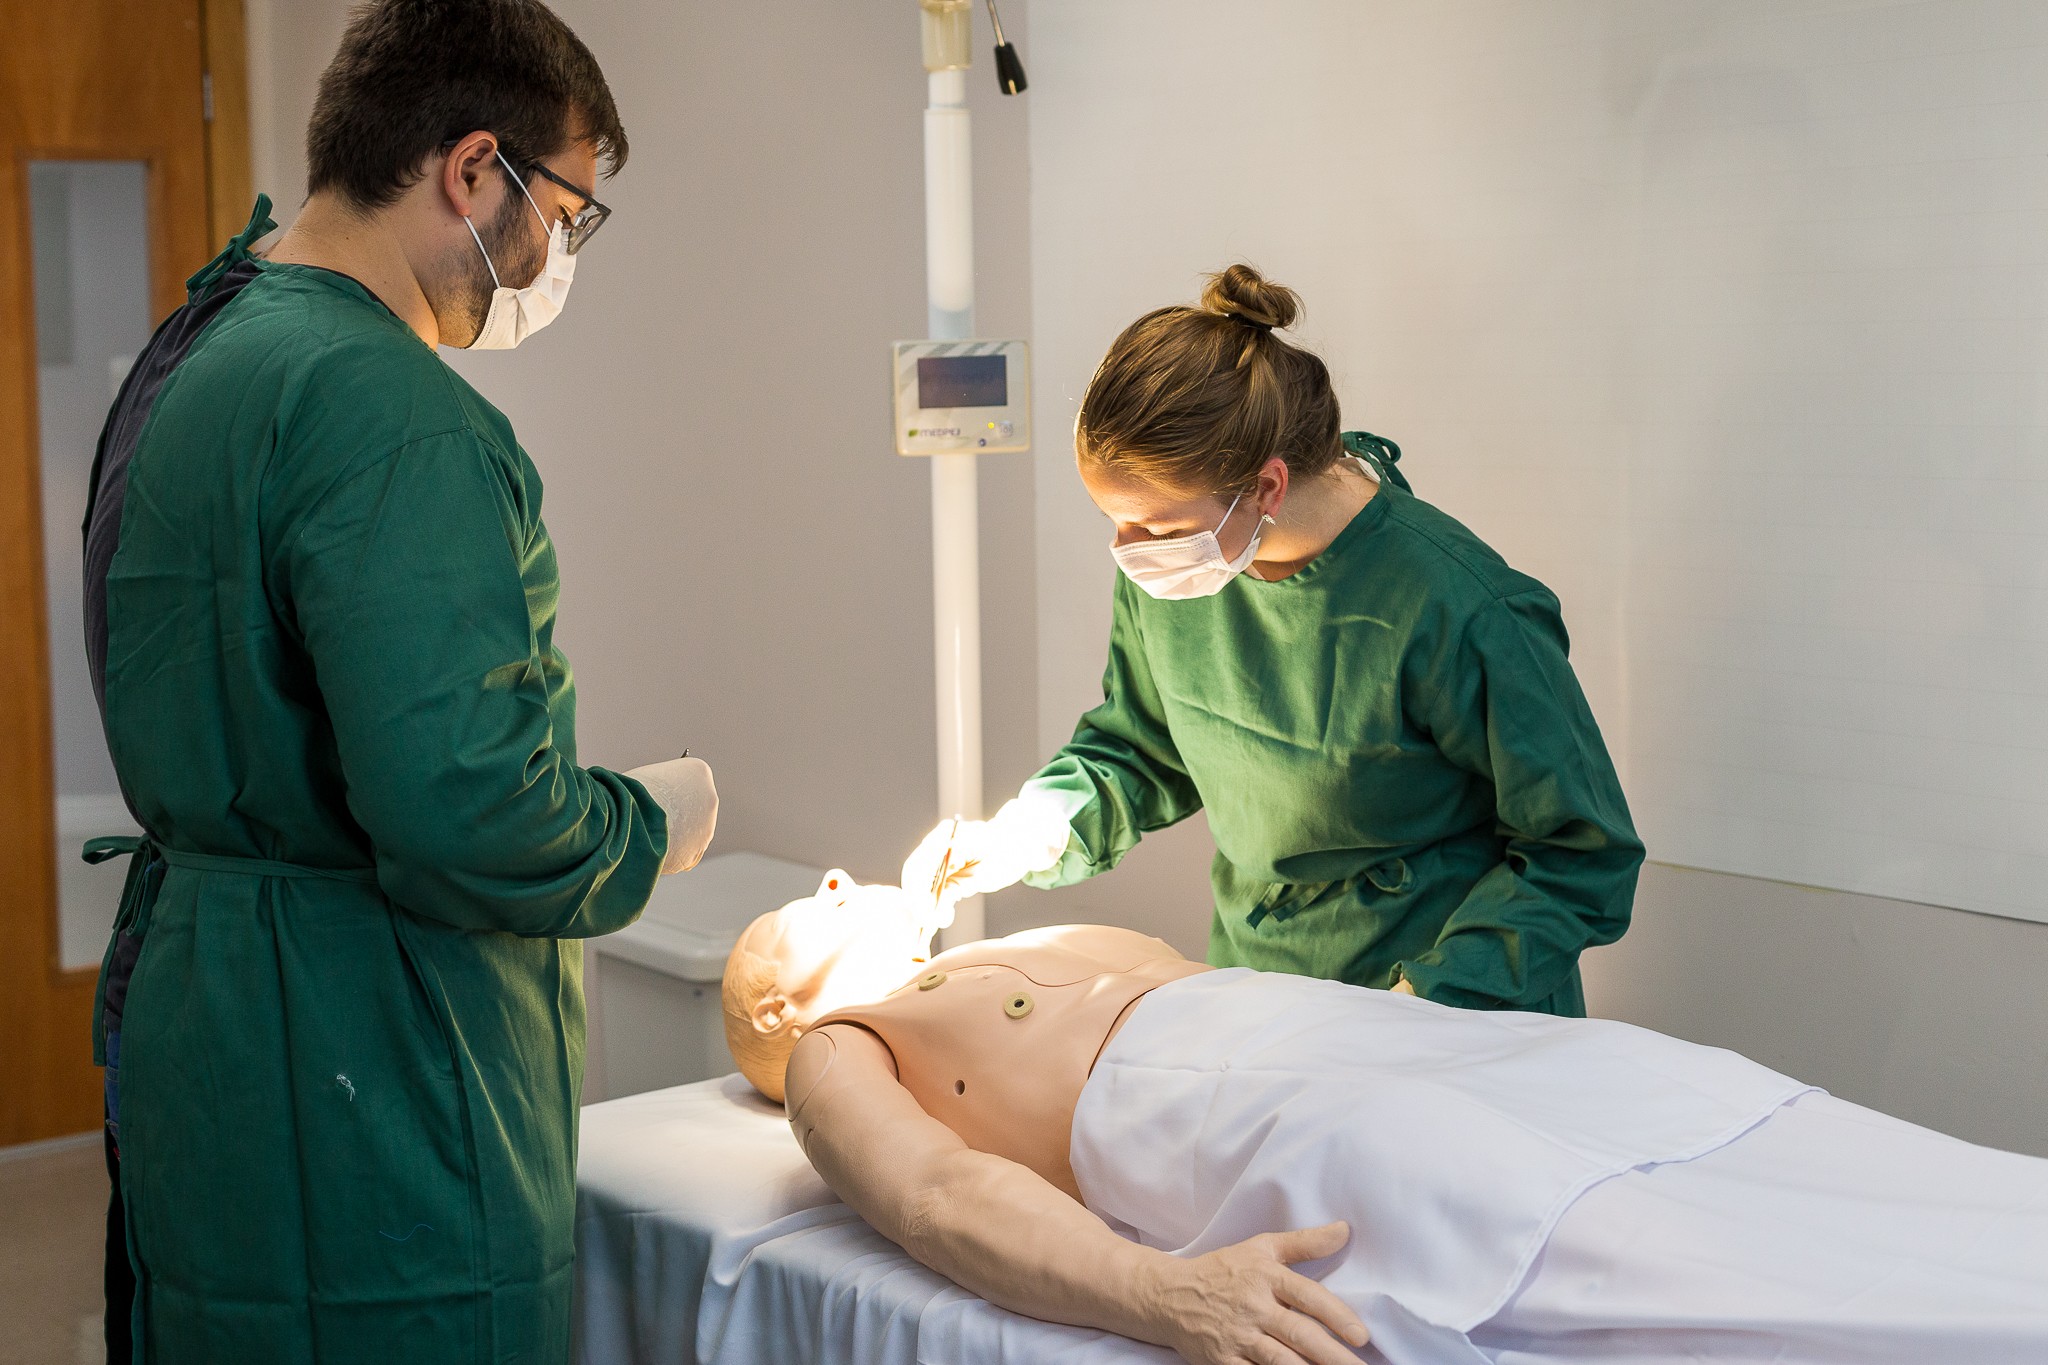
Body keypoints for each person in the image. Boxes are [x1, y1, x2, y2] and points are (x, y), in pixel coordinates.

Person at [80, 3, 716, 1360]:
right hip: (365, 1061)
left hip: (209, 1023)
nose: (555, 258)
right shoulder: (398, 418)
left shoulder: (195, 352)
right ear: (473, 170)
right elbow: (471, 814)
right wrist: (649, 821)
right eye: (564, 212)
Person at [722, 881, 2048, 1365]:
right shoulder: (845, 1045)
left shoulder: (981, 943)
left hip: (1393, 1041)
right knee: (1659, 1247)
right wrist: (1161, 1295)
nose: (835, 878)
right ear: (779, 1010)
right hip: (1272, 1103)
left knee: (1752, 1132)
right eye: (802, 913)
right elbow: (938, 1199)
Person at [904, 265, 1641, 1015]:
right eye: (1117, 523)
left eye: (1155, 527)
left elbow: (1580, 855)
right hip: (1261, 988)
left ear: (1267, 487)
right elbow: (1142, 747)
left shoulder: (1460, 607)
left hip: (1443, 1004)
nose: (1130, 550)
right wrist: (1026, 834)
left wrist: (1424, 1000)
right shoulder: (1181, 570)